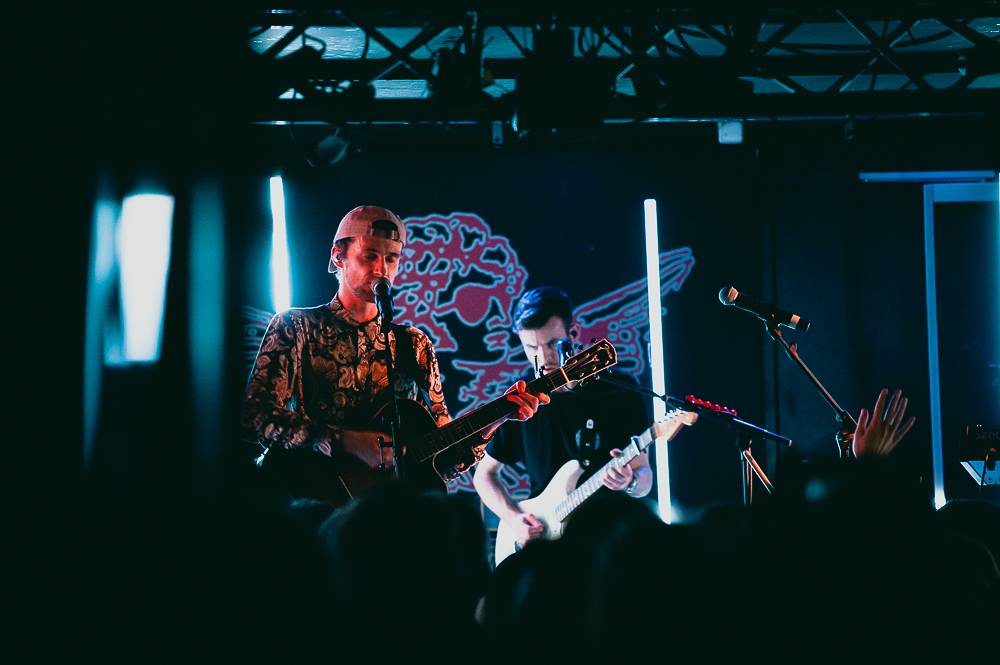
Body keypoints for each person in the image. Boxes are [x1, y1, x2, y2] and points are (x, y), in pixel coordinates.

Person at [243, 205, 547, 504]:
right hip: (309, 505)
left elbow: (444, 458)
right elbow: (256, 415)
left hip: (385, 522)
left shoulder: (414, 344)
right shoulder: (296, 326)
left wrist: (494, 420)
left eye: (391, 259)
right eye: (370, 256)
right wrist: (345, 441)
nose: (381, 269)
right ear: (338, 257)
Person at [473, 286, 652, 550]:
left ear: (574, 333)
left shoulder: (619, 391)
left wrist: (630, 481)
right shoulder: (521, 399)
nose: (543, 357)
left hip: (610, 544)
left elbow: (644, 476)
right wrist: (514, 519)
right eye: (531, 347)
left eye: (550, 344)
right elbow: (483, 476)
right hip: (549, 546)